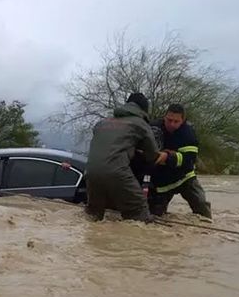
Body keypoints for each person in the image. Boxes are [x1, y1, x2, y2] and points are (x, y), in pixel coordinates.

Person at [84, 93, 167, 222]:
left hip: (90, 173)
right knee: (138, 212)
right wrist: (164, 156)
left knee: (93, 215)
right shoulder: (140, 124)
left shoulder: (101, 123)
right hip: (117, 172)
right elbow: (152, 155)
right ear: (143, 110)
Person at [148, 103, 212, 219]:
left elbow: (189, 159)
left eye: (176, 121)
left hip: (185, 178)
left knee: (202, 208)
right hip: (161, 182)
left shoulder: (188, 134)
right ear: (165, 117)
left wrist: (168, 157)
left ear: (182, 121)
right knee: (154, 216)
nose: (171, 124)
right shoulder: (153, 127)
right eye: (169, 120)